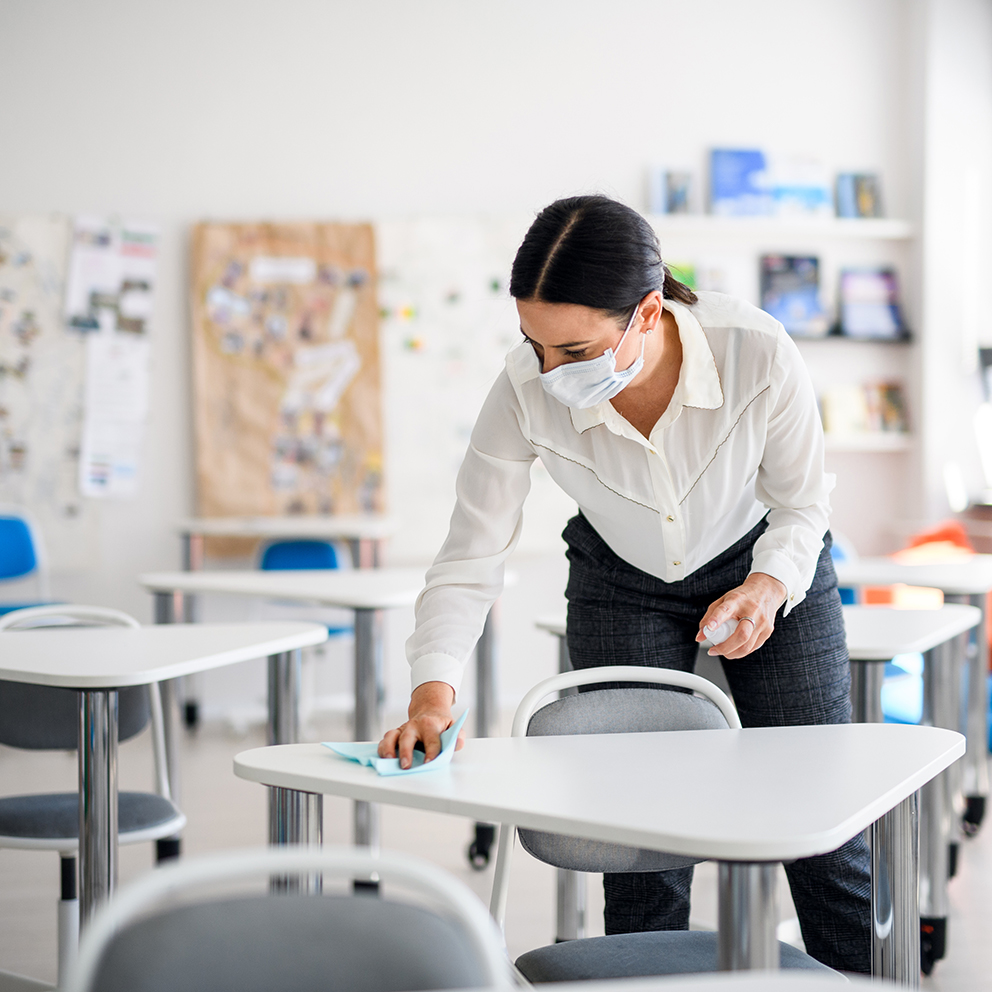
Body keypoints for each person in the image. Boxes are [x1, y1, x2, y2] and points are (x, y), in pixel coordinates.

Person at [378, 194, 870, 973]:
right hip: (620, 580)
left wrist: (769, 588)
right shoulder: (521, 391)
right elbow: (471, 554)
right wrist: (432, 691)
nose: (548, 371)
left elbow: (802, 504)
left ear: (647, 311)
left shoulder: (756, 350)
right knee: (640, 838)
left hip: (766, 566)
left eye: (574, 351)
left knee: (825, 829)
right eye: (533, 344)